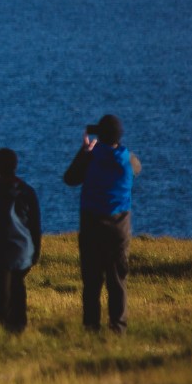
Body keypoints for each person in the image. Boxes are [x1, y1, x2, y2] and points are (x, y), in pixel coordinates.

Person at [64, 113, 137, 333]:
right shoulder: (128, 160)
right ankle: (118, 328)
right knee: (117, 282)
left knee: (92, 284)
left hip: (92, 227)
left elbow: (70, 179)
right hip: (119, 229)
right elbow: (136, 167)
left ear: (101, 135)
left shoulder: (92, 158)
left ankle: (91, 328)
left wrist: (84, 151)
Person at [0, 148, 42, 333]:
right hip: (22, 252)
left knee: (0, 298)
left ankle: (3, 331)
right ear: (15, 165)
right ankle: (19, 329)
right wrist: (35, 253)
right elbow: (35, 227)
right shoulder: (27, 192)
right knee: (19, 291)